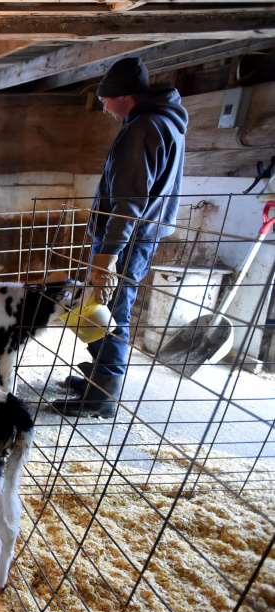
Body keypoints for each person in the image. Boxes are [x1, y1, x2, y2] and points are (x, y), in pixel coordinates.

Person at [62, 57, 188, 418]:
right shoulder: (160, 121)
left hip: (127, 238)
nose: (103, 107)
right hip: (134, 234)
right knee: (99, 306)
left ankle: (103, 393)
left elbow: (128, 204)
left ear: (124, 96)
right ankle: (97, 375)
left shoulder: (143, 129)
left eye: (105, 99)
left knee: (112, 309)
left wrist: (107, 257)